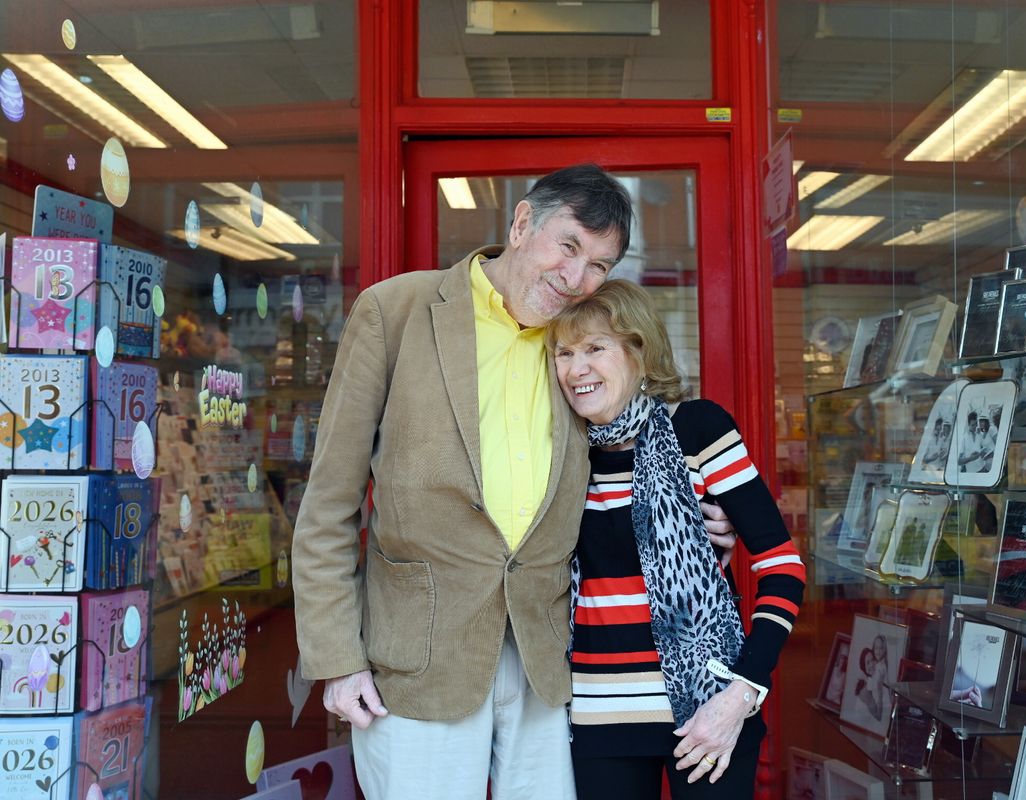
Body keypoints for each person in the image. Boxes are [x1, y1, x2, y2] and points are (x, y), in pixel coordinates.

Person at [290, 165, 733, 799]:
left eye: (600, 266)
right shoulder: (397, 310)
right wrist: (337, 659)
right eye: (570, 246)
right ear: (522, 223)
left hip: (549, 661)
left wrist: (699, 522)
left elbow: (631, 465)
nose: (577, 279)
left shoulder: (576, 338)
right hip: (418, 660)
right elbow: (329, 501)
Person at [546, 280, 806, 798]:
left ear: (639, 352)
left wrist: (742, 693)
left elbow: (782, 566)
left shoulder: (696, 429)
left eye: (595, 348)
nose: (577, 369)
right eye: (564, 353)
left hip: (708, 708)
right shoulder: (560, 455)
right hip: (599, 716)